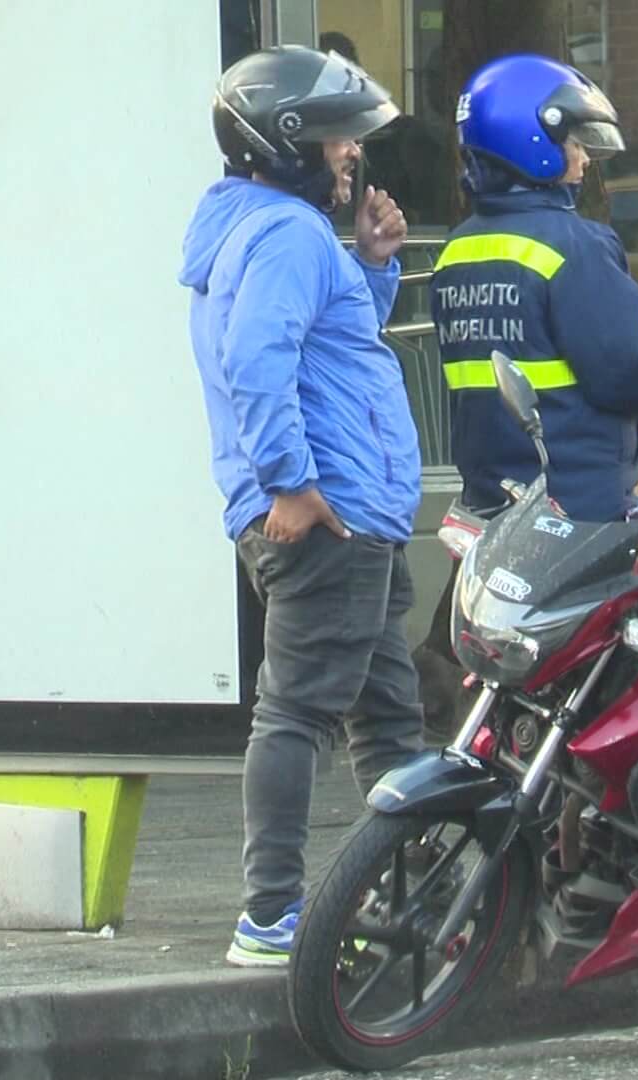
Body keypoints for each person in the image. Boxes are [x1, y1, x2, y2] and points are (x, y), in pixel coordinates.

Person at [181, 45, 424, 967]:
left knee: (391, 721)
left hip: (352, 513)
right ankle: (270, 916)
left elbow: (326, 344)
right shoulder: (283, 233)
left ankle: (419, 895)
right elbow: (257, 360)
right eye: (333, 140)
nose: (348, 156)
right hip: (326, 513)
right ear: (285, 145)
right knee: (296, 714)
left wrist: (371, 265)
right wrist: (291, 483)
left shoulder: (272, 229)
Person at [412, 54, 638, 718]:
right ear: (532, 140)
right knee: (595, 699)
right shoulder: (575, 245)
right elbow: (630, 374)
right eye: (573, 141)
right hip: (577, 504)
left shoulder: (458, 251)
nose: (584, 159)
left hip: (494, 502)